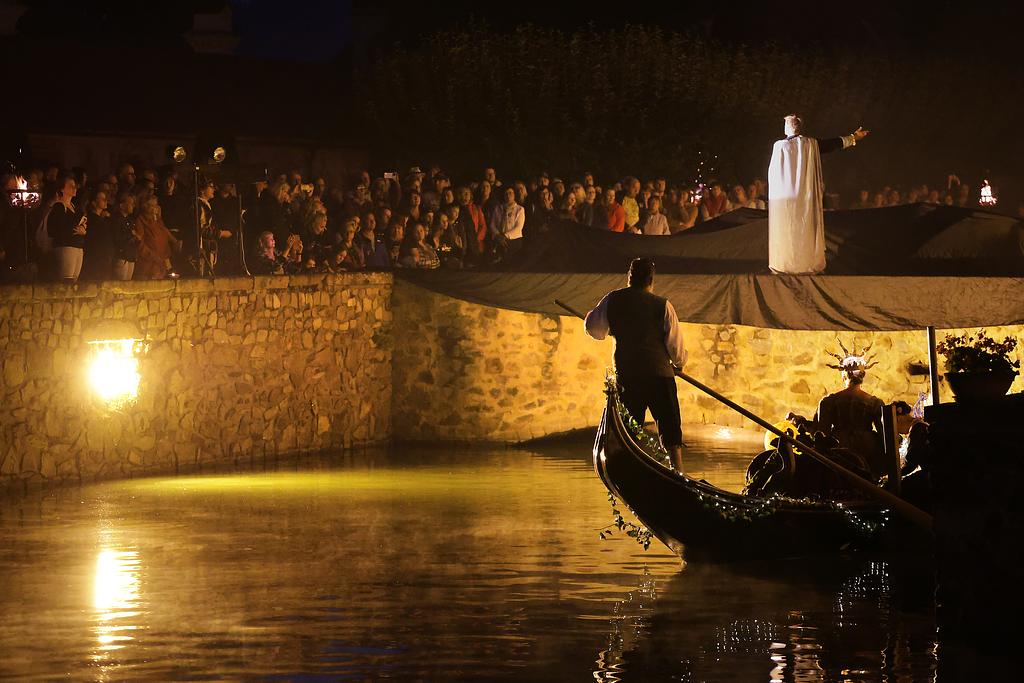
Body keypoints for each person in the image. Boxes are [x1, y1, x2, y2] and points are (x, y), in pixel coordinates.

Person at [585, 257, 688, 471]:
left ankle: (629, 469)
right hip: (660, 376)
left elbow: (595, 330)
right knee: (669, 426)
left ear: (629, 278)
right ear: (651, 280)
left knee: (629, 428)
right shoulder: (663, 305)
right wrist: (679, 364)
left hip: (629, 376)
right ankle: (677, 470)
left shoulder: (612, 300)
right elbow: (675, 347)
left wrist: (596, 322)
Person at [767, 115, 869, 273]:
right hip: (796, 200)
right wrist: (853, 137)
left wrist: (853, 138)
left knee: (798, 229)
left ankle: (797, 262)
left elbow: (831, 144)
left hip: (793, 200)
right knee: (795, 229)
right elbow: (830, 144)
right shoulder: (805, 144)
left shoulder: (798, 145)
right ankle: (792, 262)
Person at [815, 342, 886, 479]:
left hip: (839, 448)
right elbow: (884, 437)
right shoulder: (875, 403)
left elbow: (822, 435)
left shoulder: (828, 402)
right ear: (863, 376)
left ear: (844, 375)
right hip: (868, 448)